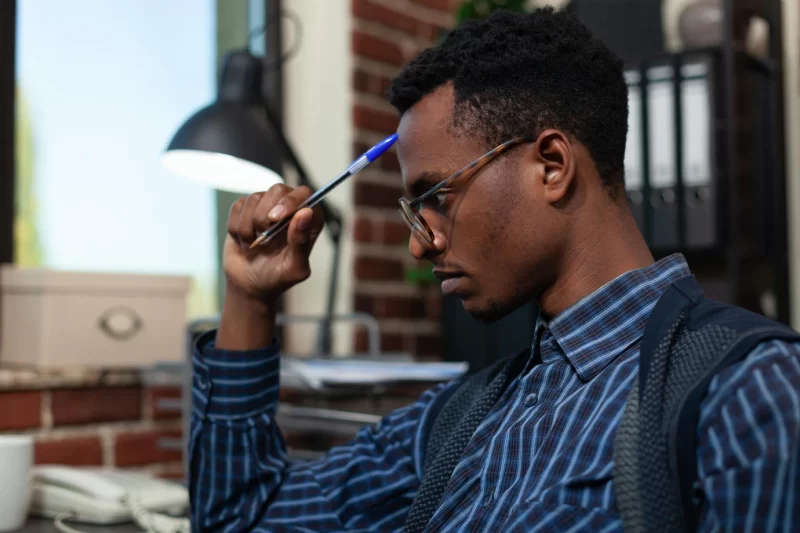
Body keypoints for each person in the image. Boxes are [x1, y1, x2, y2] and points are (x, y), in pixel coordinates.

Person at [189, 8, 800, 532]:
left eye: (438, 196)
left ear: (552, 165)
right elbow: (243, 519)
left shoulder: (748, 393)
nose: (419, 245)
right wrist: (249, 296)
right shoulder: (461, 418)